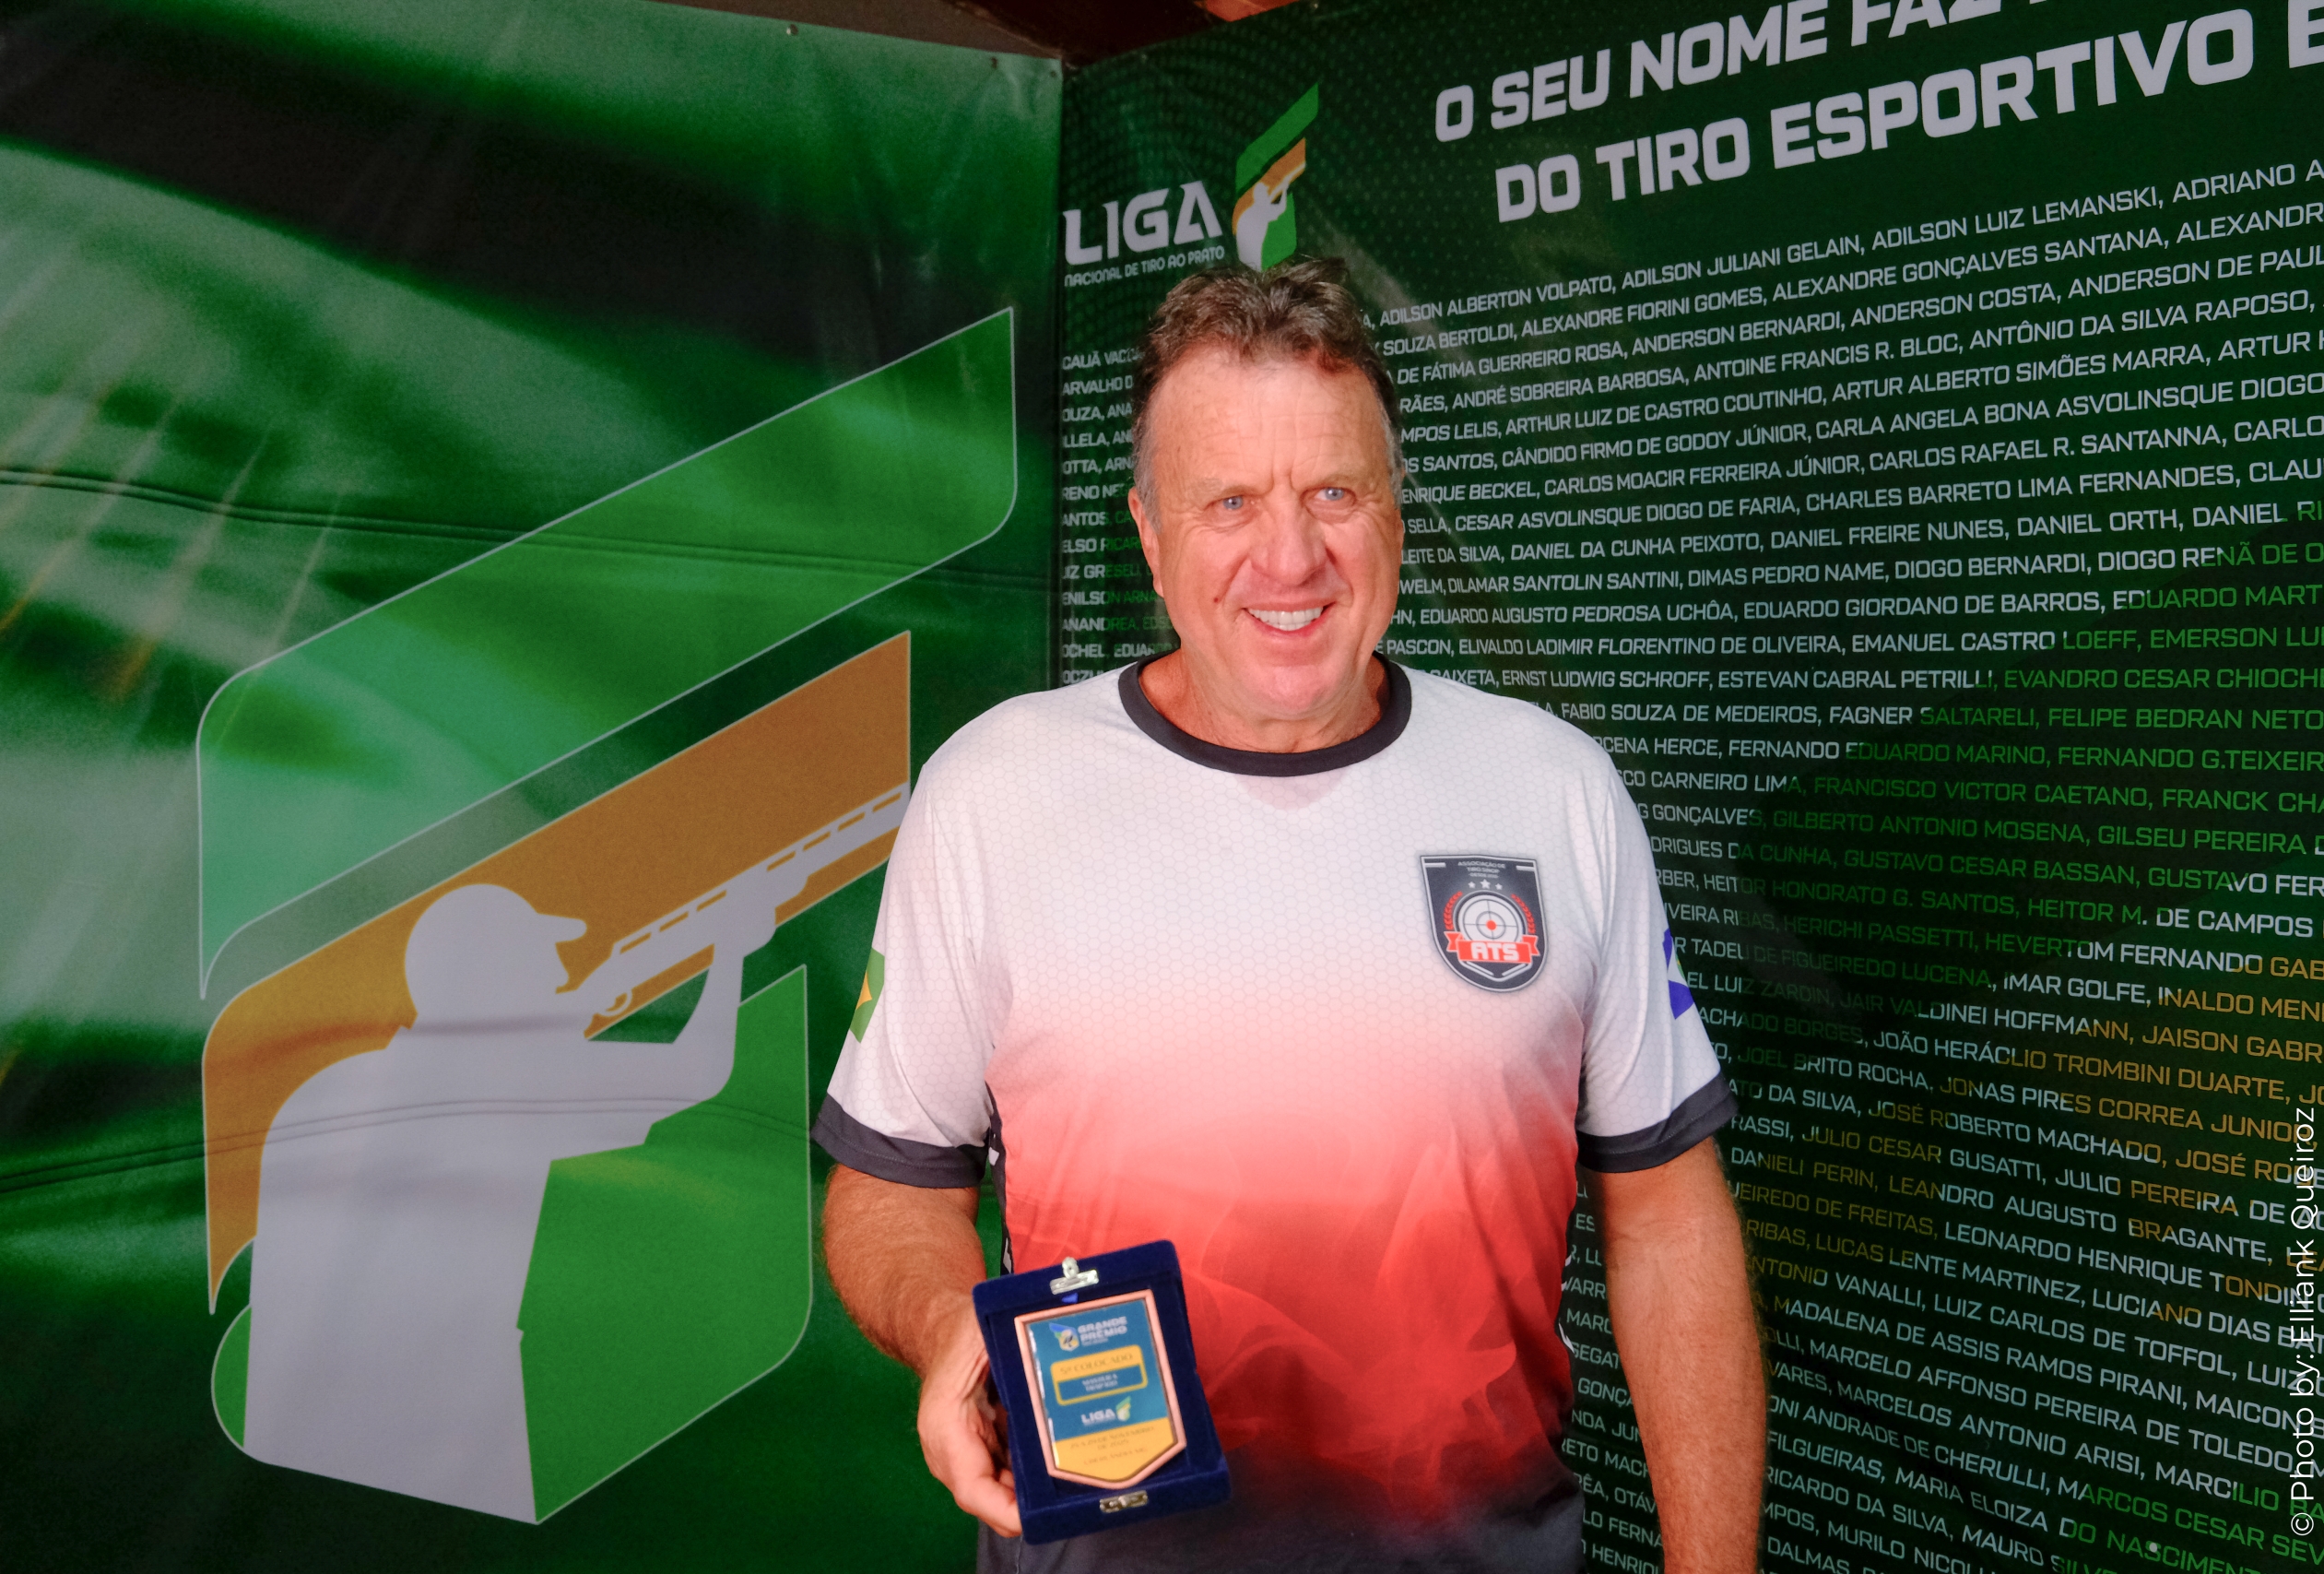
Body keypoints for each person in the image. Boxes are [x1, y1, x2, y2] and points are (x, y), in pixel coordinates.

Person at [815, 259, 1764, 1571]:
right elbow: (887, 1183)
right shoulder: (998, 792)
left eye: (1334, 492)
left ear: (1396, 516)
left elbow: (1665, 1215)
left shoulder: (1553, 790)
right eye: (1229, 501)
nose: (1290, 556)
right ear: (1150, 535)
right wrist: (948, 1328)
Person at [243, 882, 763, 1521]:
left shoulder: (332, 1087)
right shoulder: (510, 1082)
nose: (560, 976)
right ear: (495, 980)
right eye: (541, 963)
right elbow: (698, 1072)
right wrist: (729, 953)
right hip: (442, 1445)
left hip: (298, 1455)